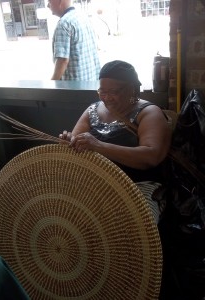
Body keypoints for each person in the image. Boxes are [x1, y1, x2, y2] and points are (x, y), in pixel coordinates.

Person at [59, 60, 172, 223]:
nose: (106, 98)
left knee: (135, 229)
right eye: (102, 91)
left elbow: (151, 156)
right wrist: (69, 141)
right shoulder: (92, 110)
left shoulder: (148, 113)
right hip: (96, 185)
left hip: (138, 187)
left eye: (113, 92)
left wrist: (99, 146)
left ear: (131, 89)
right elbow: (77, 142)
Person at [48, 0, 101, 81]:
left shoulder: (64, 23)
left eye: (49, 1)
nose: (48, 5)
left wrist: (50, 86)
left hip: (75, 88)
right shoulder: (83, 17)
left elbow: (62, 61)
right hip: (91, 82)